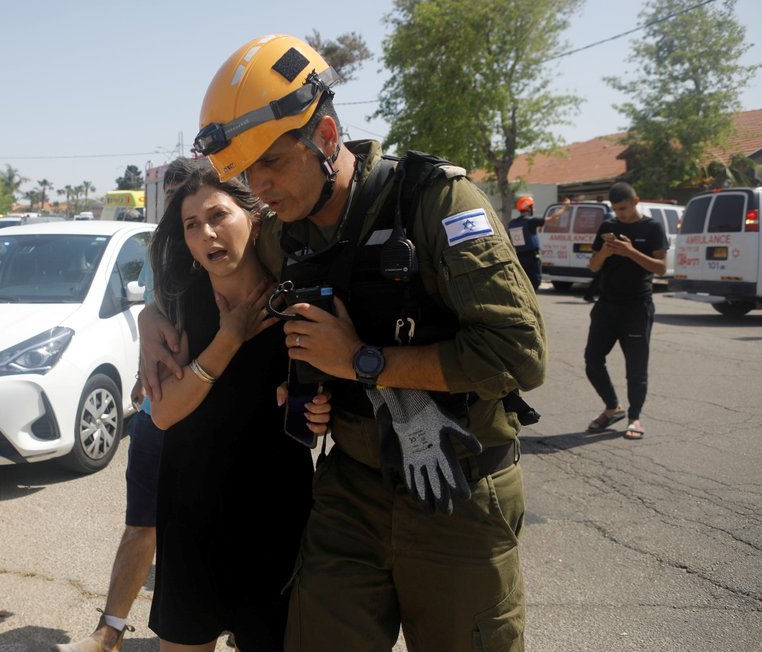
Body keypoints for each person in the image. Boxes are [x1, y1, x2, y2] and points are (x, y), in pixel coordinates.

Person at [140, 35, 546, 651]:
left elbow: (519, 352)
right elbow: (210, 261)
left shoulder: (436, 204)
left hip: (459, 493)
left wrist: (362, 361)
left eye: (273, 162)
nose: (261, 185)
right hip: (352, 487)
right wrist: (151, 317)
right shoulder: (286, 237)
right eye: (248, 172)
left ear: (327, 138)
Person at [144, 164, 328, 652]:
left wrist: (322, 408)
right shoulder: (178, 305)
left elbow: (325, 394)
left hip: (276, 513)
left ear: (255, 217)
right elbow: (163, 414)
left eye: (218, 215)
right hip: (191, 509)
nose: (206, 232)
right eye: (190, 225)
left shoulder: (297, 296)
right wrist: (230, 337)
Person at [55, 159, 202, 652]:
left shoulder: (233, 249)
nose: (185, 211)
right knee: (142, 521)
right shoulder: (161, 250)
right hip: (158, 405)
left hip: (211, 410)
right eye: (174, 197)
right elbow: (156, 307)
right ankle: (109, 630)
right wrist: (145, 359)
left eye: (192, 197)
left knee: (215, 523)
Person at [584, 181, 667, 440]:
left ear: (636, 201)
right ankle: (612, 407)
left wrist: (630, 252)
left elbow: (661, 268)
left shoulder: (652, 227)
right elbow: (593, 267)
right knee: (593, 360)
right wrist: (605, 253)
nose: (619, 214)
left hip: (637, 307)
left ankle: (635, 418)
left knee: (636, 368)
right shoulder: (608, 227)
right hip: (607, 305)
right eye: (615, 209)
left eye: (623, 208)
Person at [507, 196, 569, 290]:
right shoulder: (531, 221)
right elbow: (553, 218)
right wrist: (565, 207)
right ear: (528, 208)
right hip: (532, 257)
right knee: (535, 281)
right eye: (532, 207)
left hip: (519, 256)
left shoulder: (512, 223)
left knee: (523, 281)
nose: (534, 209)